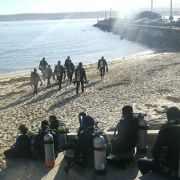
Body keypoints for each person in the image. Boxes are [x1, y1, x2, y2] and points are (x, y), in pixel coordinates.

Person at [138, 106, 180, 178]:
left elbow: (155, 153)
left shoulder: (165, 130)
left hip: (171, 170)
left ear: (168, 117)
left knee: (141, 162)